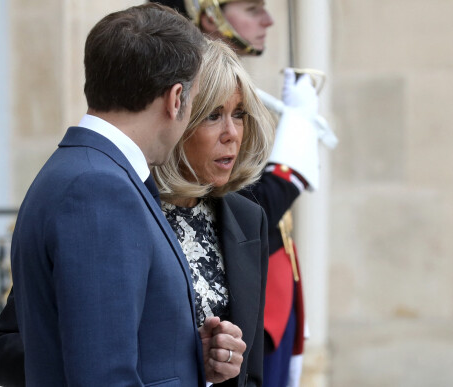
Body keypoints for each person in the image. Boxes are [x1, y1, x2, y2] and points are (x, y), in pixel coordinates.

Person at [0, 38, 274, 386]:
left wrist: (219, 363)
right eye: (213, 115)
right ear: (175, 111)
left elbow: (251, 372)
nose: (232, 134)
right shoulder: (110, 202)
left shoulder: (247, 218)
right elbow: (2, 347)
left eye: (239, 114)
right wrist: (172, 361)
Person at [5, 4, 212, 385]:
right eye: (196, 103)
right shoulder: (97, 189)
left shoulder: (90, 173)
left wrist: (189, 355)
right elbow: (104, 375)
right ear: (176, 98)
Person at [151, 1, 331, 386]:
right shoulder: (127, 202)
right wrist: (292, 161)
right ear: (208, 12)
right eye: (251, 8)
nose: (267, 20)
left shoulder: (237, 208)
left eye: (240, 115)